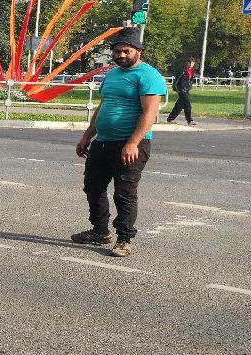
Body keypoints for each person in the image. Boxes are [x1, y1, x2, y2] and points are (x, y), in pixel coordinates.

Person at [71, 28, 166, 258]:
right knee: (93, 187)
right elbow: (103, 106)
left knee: (124, 193)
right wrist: (87, 135)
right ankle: (100, 231)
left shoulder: (148, 75)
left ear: (138, 51)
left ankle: (124, 239)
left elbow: (149, 113)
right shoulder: (112, 74)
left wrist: (133, 142)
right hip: (103, 142)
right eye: (117, 51)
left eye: (126, 51)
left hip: (130, 145)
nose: (121, 55)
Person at [166, 58, 196, 125]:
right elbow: (176, 80)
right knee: (187, 104)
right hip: (181, 89)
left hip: (187, 89)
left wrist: (189, 87)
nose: (191, 64)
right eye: (190, 63)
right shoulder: (182, 70)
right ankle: (189, 120)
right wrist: (176, 89)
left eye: (193, 63)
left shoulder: (192, 71)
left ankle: (170, 118)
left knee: (179, 105)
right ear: (187, 63)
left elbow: (190, 80)